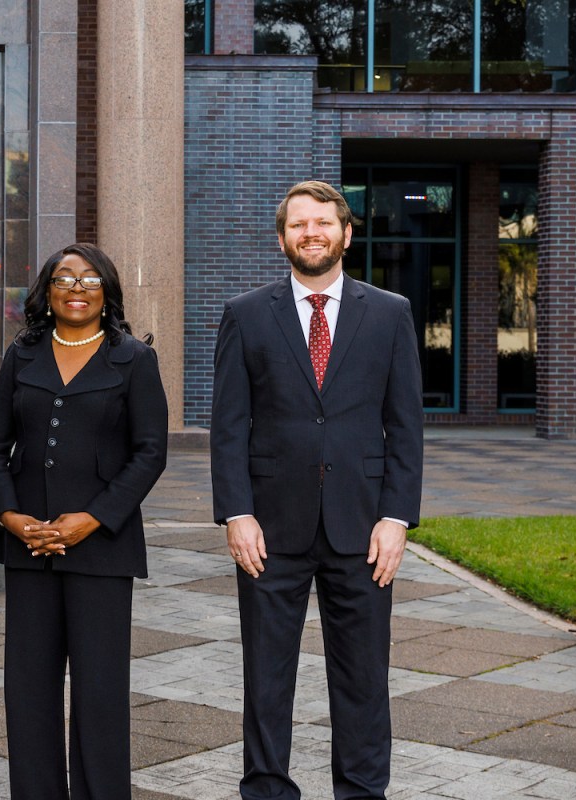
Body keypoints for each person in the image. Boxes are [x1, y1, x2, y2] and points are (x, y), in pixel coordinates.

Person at [209, 180, 424, 800]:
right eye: (299, 224)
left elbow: (405, 425)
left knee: (363, 678)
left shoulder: (390, 313)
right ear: (282, 239)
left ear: (346, 234)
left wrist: (397, 517)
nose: (312, 233)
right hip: (270, 530)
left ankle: (361, 791)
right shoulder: (247, 314)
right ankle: (267, 789)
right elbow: (228, 426)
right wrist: (236, 511)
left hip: (363, 530)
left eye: (323, 223)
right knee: (266, 677)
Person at [0, 242, 168, 800]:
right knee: (29, 692)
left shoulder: (133, 358)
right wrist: (10, 516)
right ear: (47, 291)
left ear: (106, 290)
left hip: (102, 550)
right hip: (28, 548)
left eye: (89, 279)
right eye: (64, 278)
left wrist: (95, 518)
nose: (77, 287)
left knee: (100, 692)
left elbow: (150, 452)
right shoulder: (23, 353)